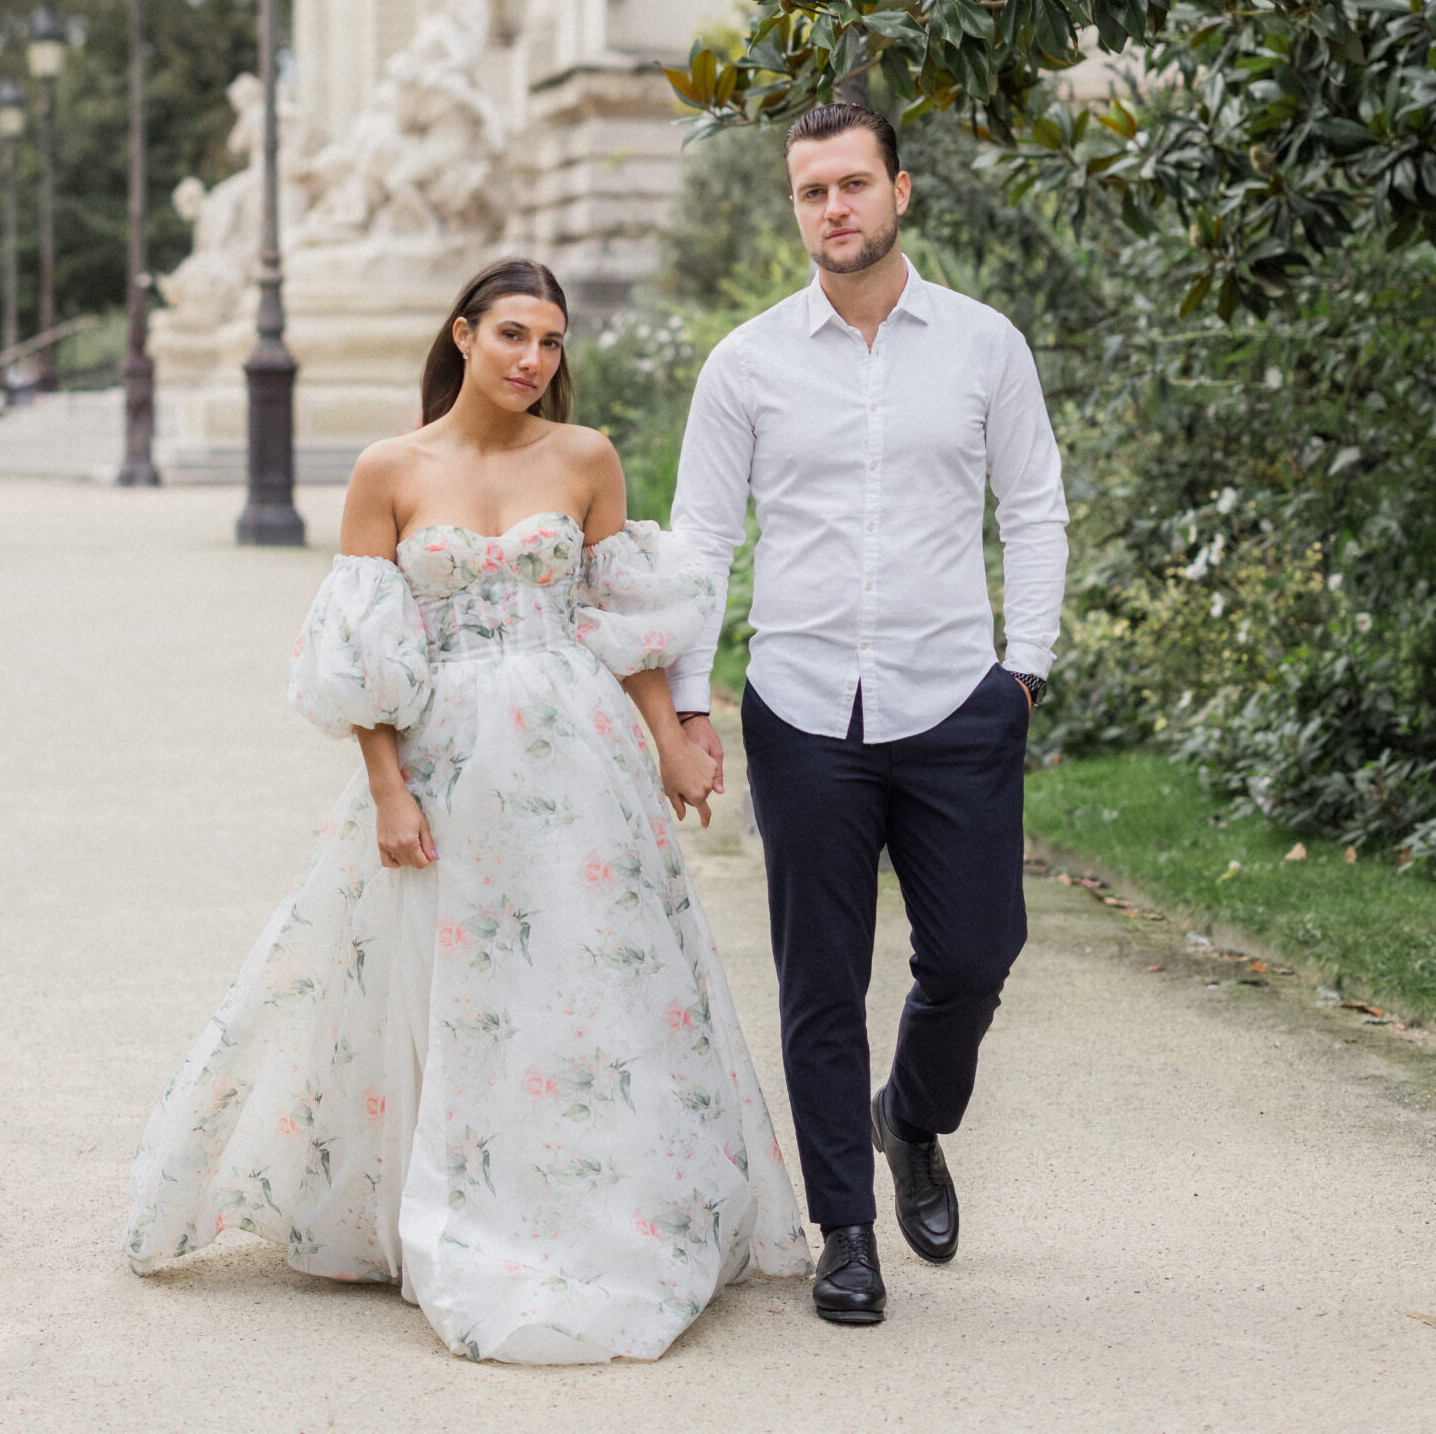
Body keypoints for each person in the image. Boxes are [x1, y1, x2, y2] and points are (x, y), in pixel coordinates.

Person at [124, 257, 808, 1363]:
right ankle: (444, 1197)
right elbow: (362, 651)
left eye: (549, 341)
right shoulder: (389, 470)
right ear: (464, 335)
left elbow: (619, 621)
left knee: (590, 973)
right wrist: (389, 791)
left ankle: (601, 1196)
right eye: (512, 336)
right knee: (448, 977)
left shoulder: (586, 459)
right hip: (443, 760)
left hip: (577, 755)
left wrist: (674, 738)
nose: (533, 359)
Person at [665, 103, 1068, 1327]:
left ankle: (914, 1116)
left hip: (957, 700)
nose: (833, 209)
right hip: (801, 711)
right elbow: (701, 541)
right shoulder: (745, 363)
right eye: (811, 193)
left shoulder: (986, 346)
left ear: (902, 189)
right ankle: (845, 1231)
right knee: (818, 981)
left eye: (852, 184)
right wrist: (688, 702)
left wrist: (1025, 673)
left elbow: (1035, 507)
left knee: (974, 955)